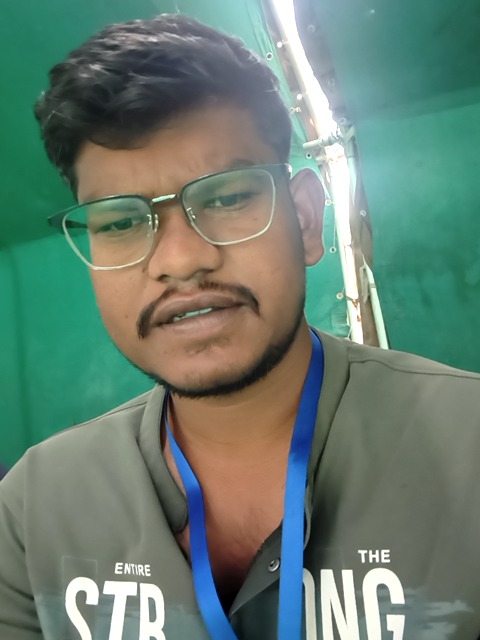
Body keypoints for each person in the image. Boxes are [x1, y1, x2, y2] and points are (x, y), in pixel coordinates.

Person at [0, 13, 479, 640]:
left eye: (226, 198)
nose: (180, 261)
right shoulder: (34, 507)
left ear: (305, 220)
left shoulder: (467, 444)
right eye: (120, 222)